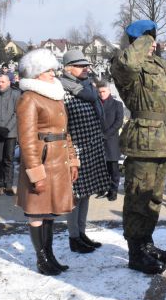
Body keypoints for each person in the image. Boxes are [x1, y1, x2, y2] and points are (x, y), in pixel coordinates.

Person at [110, 19, 166, 275]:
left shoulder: (158, 64)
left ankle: (146, 244)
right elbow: (128, 63)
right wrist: (144, 41)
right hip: (144, 141)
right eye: (147, 40)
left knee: (153, 198)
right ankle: (135, 252)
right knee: (138, 197)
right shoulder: (124, 64)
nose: (153, 44)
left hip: (164, 141)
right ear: (137, 41)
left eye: (153, 39)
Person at [16, 49, 79, 275]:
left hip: (58, 161)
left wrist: (73, 160)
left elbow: (65, 132)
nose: (53, 73)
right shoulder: (29, 99)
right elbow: (27, 140)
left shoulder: (54, 95)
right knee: (36, 212)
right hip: (42, 162)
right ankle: (41, 258)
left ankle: (50, 255)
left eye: (53, 69)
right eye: (48, 70)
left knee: (49, 211)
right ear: (36, 74)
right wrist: (35, 172)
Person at [59, 50, 110, 254]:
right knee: (75, 195)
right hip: (75, 149)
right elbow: (62, 125)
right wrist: (69, 154)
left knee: (86, 192)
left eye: (86, 65)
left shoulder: (88, 87)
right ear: (68, 68)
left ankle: (81, 232)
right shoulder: (62, 90)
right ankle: (73, 237)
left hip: (92, 147)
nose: (85, 69)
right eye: (80, 66)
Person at [0, 73, 21, 196]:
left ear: (9, 82)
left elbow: (17, 113)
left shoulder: (16, 94)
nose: (0, 83)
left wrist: (7, 128)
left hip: (10, 133)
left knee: (8, 159)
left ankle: (8, 185)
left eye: (3, 81)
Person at [97, 81, 124, 201]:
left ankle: (113, 191)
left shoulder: (117, 104)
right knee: (101, 167)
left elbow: (118, 122)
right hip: (98, 140)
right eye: (100, 92)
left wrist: (106, 134)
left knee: (113, 168)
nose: (102, 94)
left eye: (104, 91)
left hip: (111, 140)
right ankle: (103, 188)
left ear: (109, 91)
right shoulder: (95, 104)